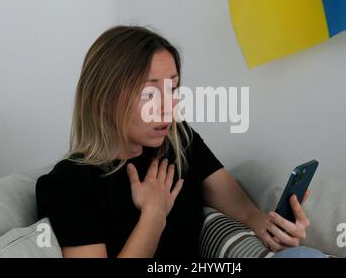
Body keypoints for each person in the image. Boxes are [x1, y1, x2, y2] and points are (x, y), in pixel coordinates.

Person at [35, 25, 325, 258]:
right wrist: (154, 214)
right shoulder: (69, 184)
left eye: (172, 88)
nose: (168, 106)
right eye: (149, 94)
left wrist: (275, 231)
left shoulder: (181, 141)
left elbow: (247, 213)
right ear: (104, 98)